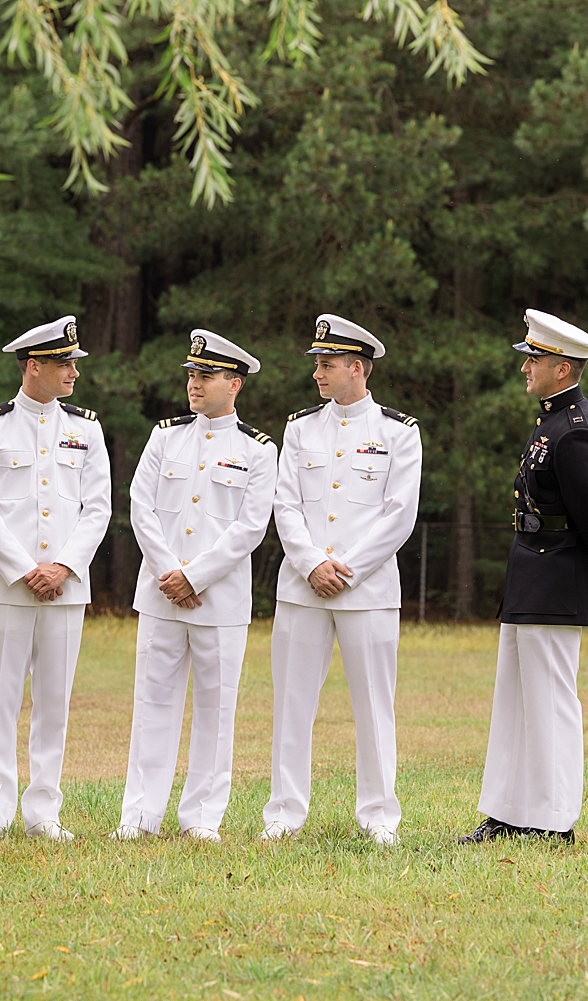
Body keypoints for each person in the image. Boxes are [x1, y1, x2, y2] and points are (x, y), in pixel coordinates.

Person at [459, 310, 588, 845]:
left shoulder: (575, 429)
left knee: (552, 702)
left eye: (534, 358)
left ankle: (554, 821)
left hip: (557, 580)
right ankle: (509, 811)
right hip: (532, 577)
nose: (526, 367)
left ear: (562, 367)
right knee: (514, 700)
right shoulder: (553, 420)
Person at [110, 330, 277, 843]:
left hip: (218, 599)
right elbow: (141, 505)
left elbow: (250, 526)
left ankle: (202, 816)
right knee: (152, 706)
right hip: (161, 592)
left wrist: (195, 576)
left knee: (216, 709)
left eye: (205, 376)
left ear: (235, 383)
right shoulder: (166, 436)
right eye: (191, 375)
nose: (194, 384)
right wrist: (170, 573)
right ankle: (139, 816)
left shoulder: (257, 449)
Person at [261, 314, 422, 846]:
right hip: (303, 587)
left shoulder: (398, 432)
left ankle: (379, 815)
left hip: (368, 591)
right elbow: (284, 503)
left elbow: (399, 515)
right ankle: (284, 812)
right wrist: (311, 563)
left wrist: (345, 570)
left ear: (358, 368)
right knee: (291, 703)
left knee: (375, 706)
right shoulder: (300, 427)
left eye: (328, 365)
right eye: (317, 364)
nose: (318, 374)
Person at [0, 315, 112, 841]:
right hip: (8, 586)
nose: (73, 372)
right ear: (33, 367)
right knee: (0, 698)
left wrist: (64, 567)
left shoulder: (85, 427)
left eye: (73, 362)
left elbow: (98, 508)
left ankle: (43, 810)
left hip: (66, 588)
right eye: (63, 363)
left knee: (55, 702)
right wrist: (27, 570)